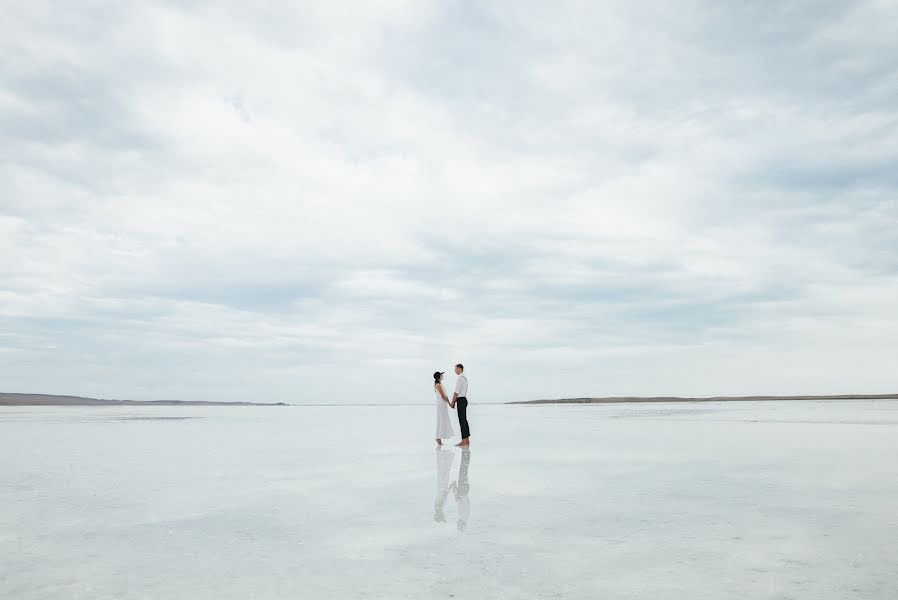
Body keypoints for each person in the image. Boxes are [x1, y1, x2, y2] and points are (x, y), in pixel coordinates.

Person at [449, 363, 470, 446]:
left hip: (461, 400)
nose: (454, 370)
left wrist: (452, 402)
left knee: (462, 421)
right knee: (464, 420)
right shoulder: (465, 378)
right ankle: (466, 440)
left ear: (459, 368)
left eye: (455, 369)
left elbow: (456, 392)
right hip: (463, 399)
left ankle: (464, 441)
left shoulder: (460, 378)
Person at [433, 371, 454, 445]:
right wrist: (449, 403)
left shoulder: (440, 384)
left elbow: (444, 396)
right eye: (441, 375)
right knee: (441, 420)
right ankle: (438, 437)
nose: (442, 376)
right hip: (441, 404)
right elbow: (443, 396)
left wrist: (448, 402)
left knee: (442, 419)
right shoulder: (438, 385)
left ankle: (438, 437)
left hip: (442, 404)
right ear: (439, 377)